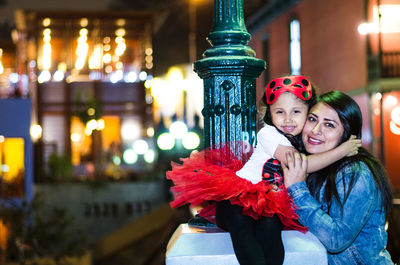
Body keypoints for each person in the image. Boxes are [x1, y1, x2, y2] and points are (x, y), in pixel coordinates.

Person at [167, 76, 360, 265]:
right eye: (279, 112)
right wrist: (342, 151)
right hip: (240, 195)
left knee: (271, 235)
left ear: (308, 113)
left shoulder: (303, 141)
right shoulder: (269, 133)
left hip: (269, 201)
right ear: (269, 114)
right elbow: (301, 164)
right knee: (241, 228)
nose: (288, 119)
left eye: (296, 112)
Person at [283, 91, 394, 264]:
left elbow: (336, 239)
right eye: (312, 119)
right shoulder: (310, 166)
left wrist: (298, 190)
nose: (315, 130)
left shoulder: (356, 172)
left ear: (347, 135)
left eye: (329, 125)